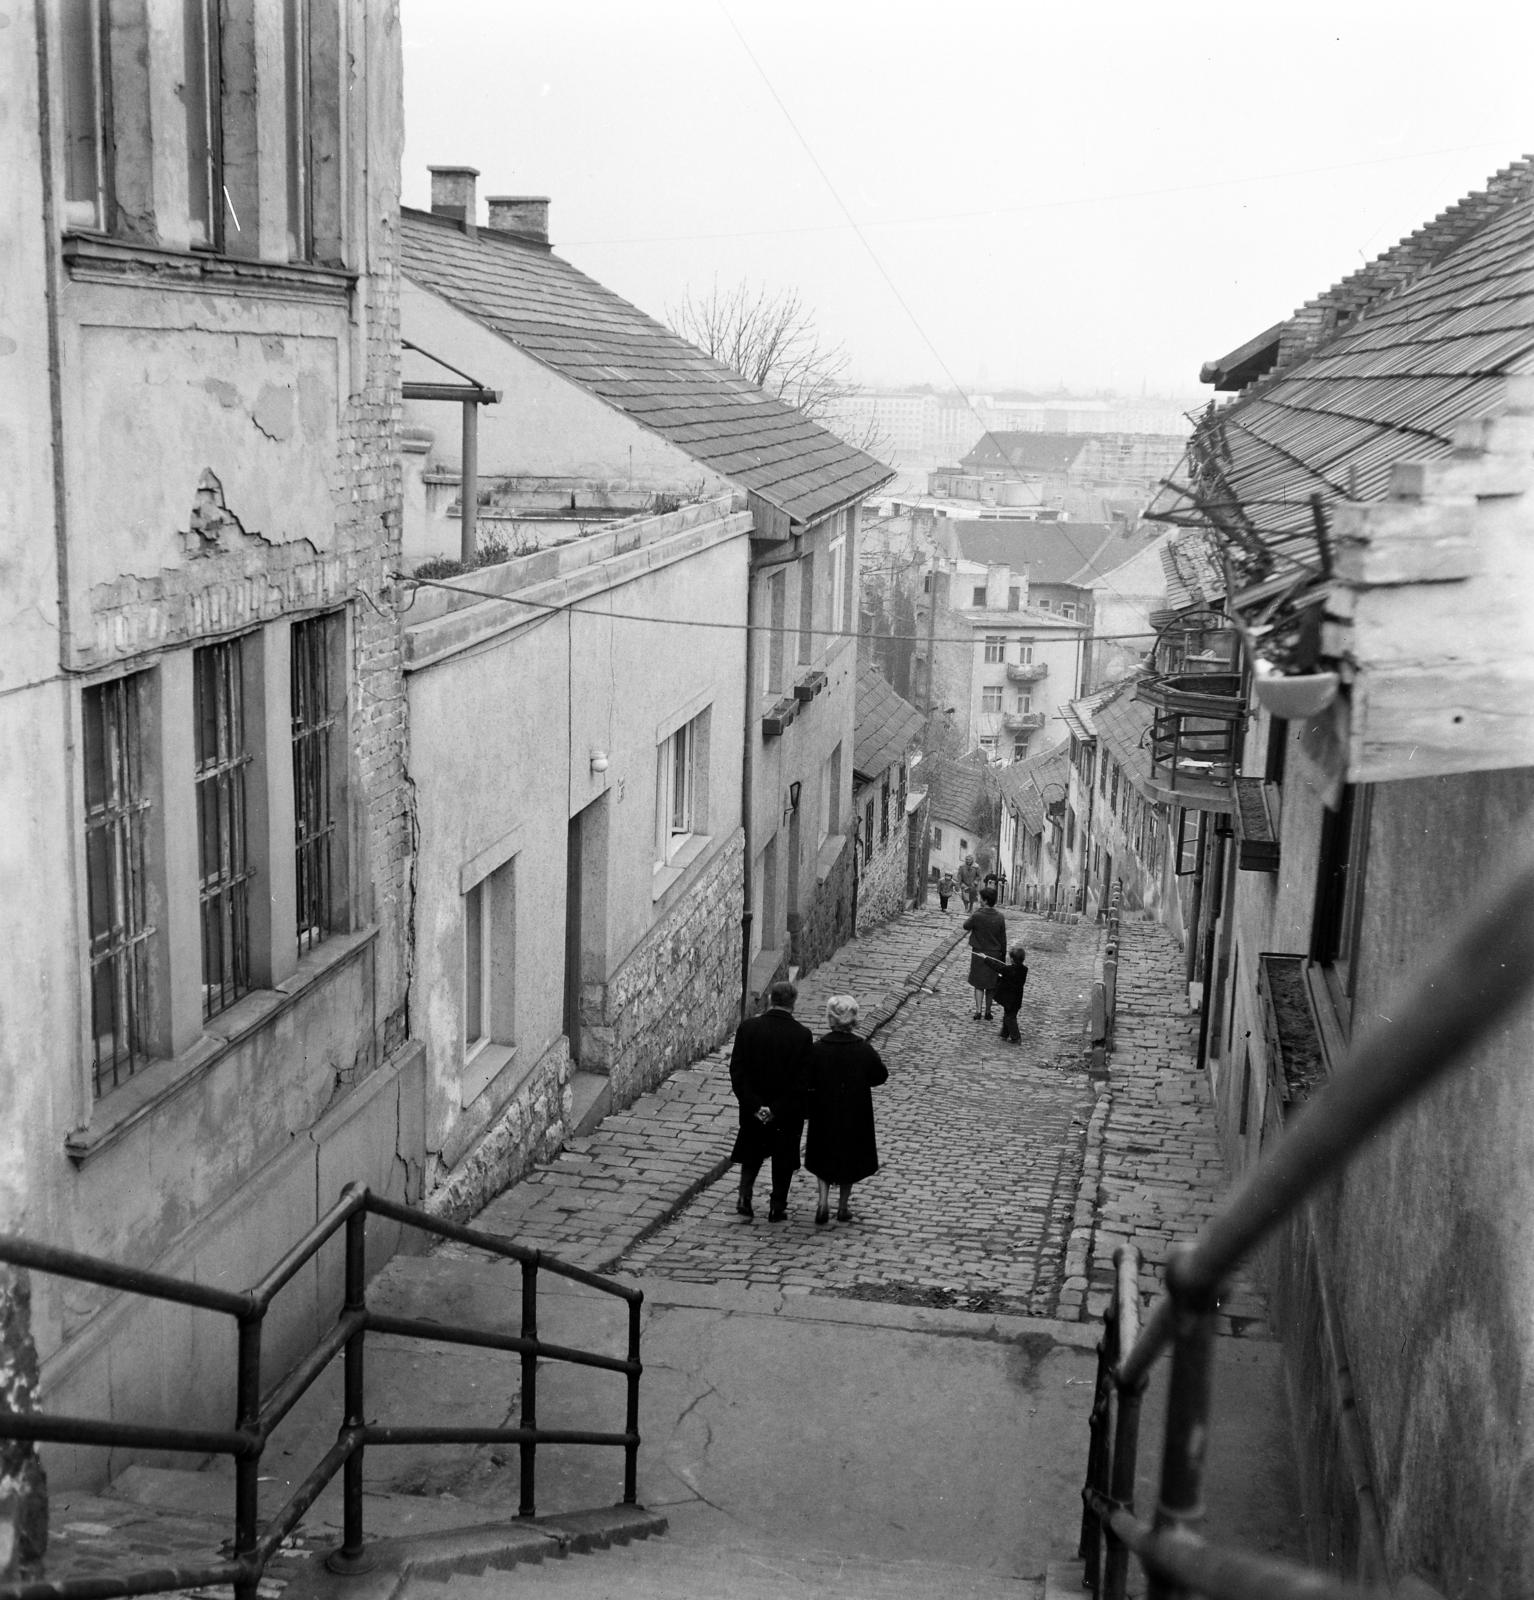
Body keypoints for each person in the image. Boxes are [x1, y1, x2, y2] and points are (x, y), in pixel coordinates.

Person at [728, 979, 814, 1221]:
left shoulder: (748, 1029)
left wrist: (755, 1106)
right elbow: (802, 1081)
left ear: (770, 999)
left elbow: (737, 1071)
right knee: (783, 1158)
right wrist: (775, 1109)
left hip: (753, 1109)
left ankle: (744, 1196)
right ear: (793, 1003)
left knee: (751, 1152)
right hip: (785, 1113)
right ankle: (777, 1206)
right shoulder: (802, 1036)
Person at [804, 995, 888, 1226]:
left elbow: (806, 1076)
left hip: (824, 1109)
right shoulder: (863, 1049)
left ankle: (823, 1200)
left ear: (831, 1019)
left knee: (823, 1153)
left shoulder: (818, 1049)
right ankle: (842, 1206)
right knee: (850, 1157)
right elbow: (880, 1075)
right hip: (854, 1110)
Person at [963, 887, 1007, 1021]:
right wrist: (1003, 957)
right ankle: (988, 1011)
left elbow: (966, 926)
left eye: (981, 898)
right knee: (991, 985)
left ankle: (978, 1011)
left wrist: (976, 914)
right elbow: (1003, 939)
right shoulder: (999, 917)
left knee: (979, 983)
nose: (979, 900)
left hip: (979, 954)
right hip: (994, 955)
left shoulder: (977, 915)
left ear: (985, 900)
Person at [982, 943, 1029, 1043]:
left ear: (1012, 959)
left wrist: (986, 959)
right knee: (1008, 1015)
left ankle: (1016, 1037)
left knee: (1009, 1018)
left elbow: (997, 967)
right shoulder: (1023, 970)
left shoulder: (1009, 970)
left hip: (1009, 999)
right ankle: (1004, 1033)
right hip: (1017, 999)